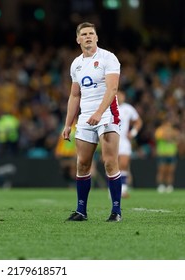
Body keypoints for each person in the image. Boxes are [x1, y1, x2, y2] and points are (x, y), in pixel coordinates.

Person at [62, 22, 122, 222]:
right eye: (84, 34)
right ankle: (81, 211)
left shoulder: (108, 58)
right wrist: (68, 124)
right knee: (83, 163)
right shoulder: (76, 64)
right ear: (78, 39)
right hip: (86, 117)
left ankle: (116, 212)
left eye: (91, 33)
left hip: (106, 115)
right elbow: (74, 96)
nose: (88, 36)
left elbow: (112, 89)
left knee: (109, 162)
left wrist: (98, 112)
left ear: (96, 37)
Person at [117, 90, 143, 198]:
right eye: (118, 95)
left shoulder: (128, 108)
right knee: (111, 165)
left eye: (122, 95)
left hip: (123, 140)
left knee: (123, 164)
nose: (120, 97)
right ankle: (112, 189)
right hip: (111, 139)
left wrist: (133, 133)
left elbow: (138, 122)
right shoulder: (108, 106)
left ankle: (123, 190)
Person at [155, 117, 179, 193]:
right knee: (162, 171)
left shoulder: (174, 131)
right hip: (162, 153)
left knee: (170, 171)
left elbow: (177, 138)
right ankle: (161, 185)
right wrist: (169, 136)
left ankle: (169, 186)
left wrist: (170, 136)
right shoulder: (160, 130)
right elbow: (160, 137)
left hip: (171, 153)